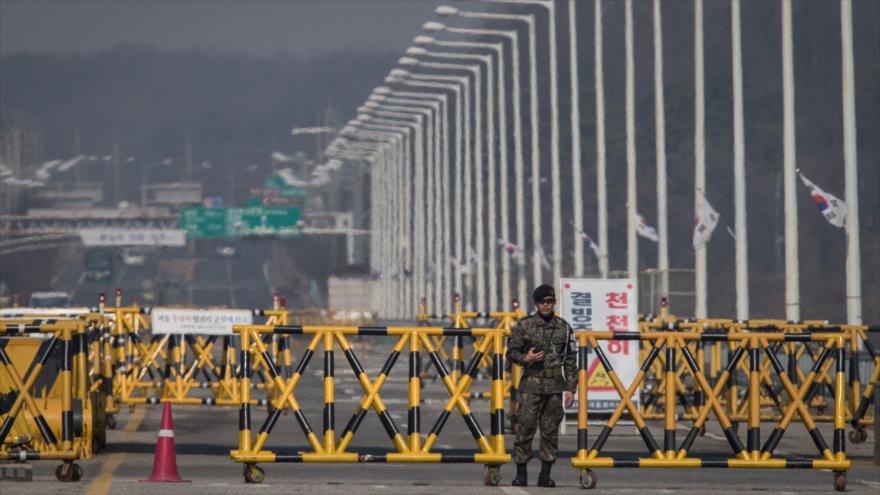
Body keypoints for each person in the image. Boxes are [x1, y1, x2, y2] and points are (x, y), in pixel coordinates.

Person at [506, 284, 576, 487]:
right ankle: (521, 473)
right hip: (531, 386)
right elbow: (511, 353)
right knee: (525, 428)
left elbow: (571, 359)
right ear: (536, 303)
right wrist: (525, 358)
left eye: (550, 301)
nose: (547, 305)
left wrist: (571, 388)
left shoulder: (564, 327)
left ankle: (545, 475)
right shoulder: (525, 326)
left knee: (550, 431)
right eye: (543, 302)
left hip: (554, 387)